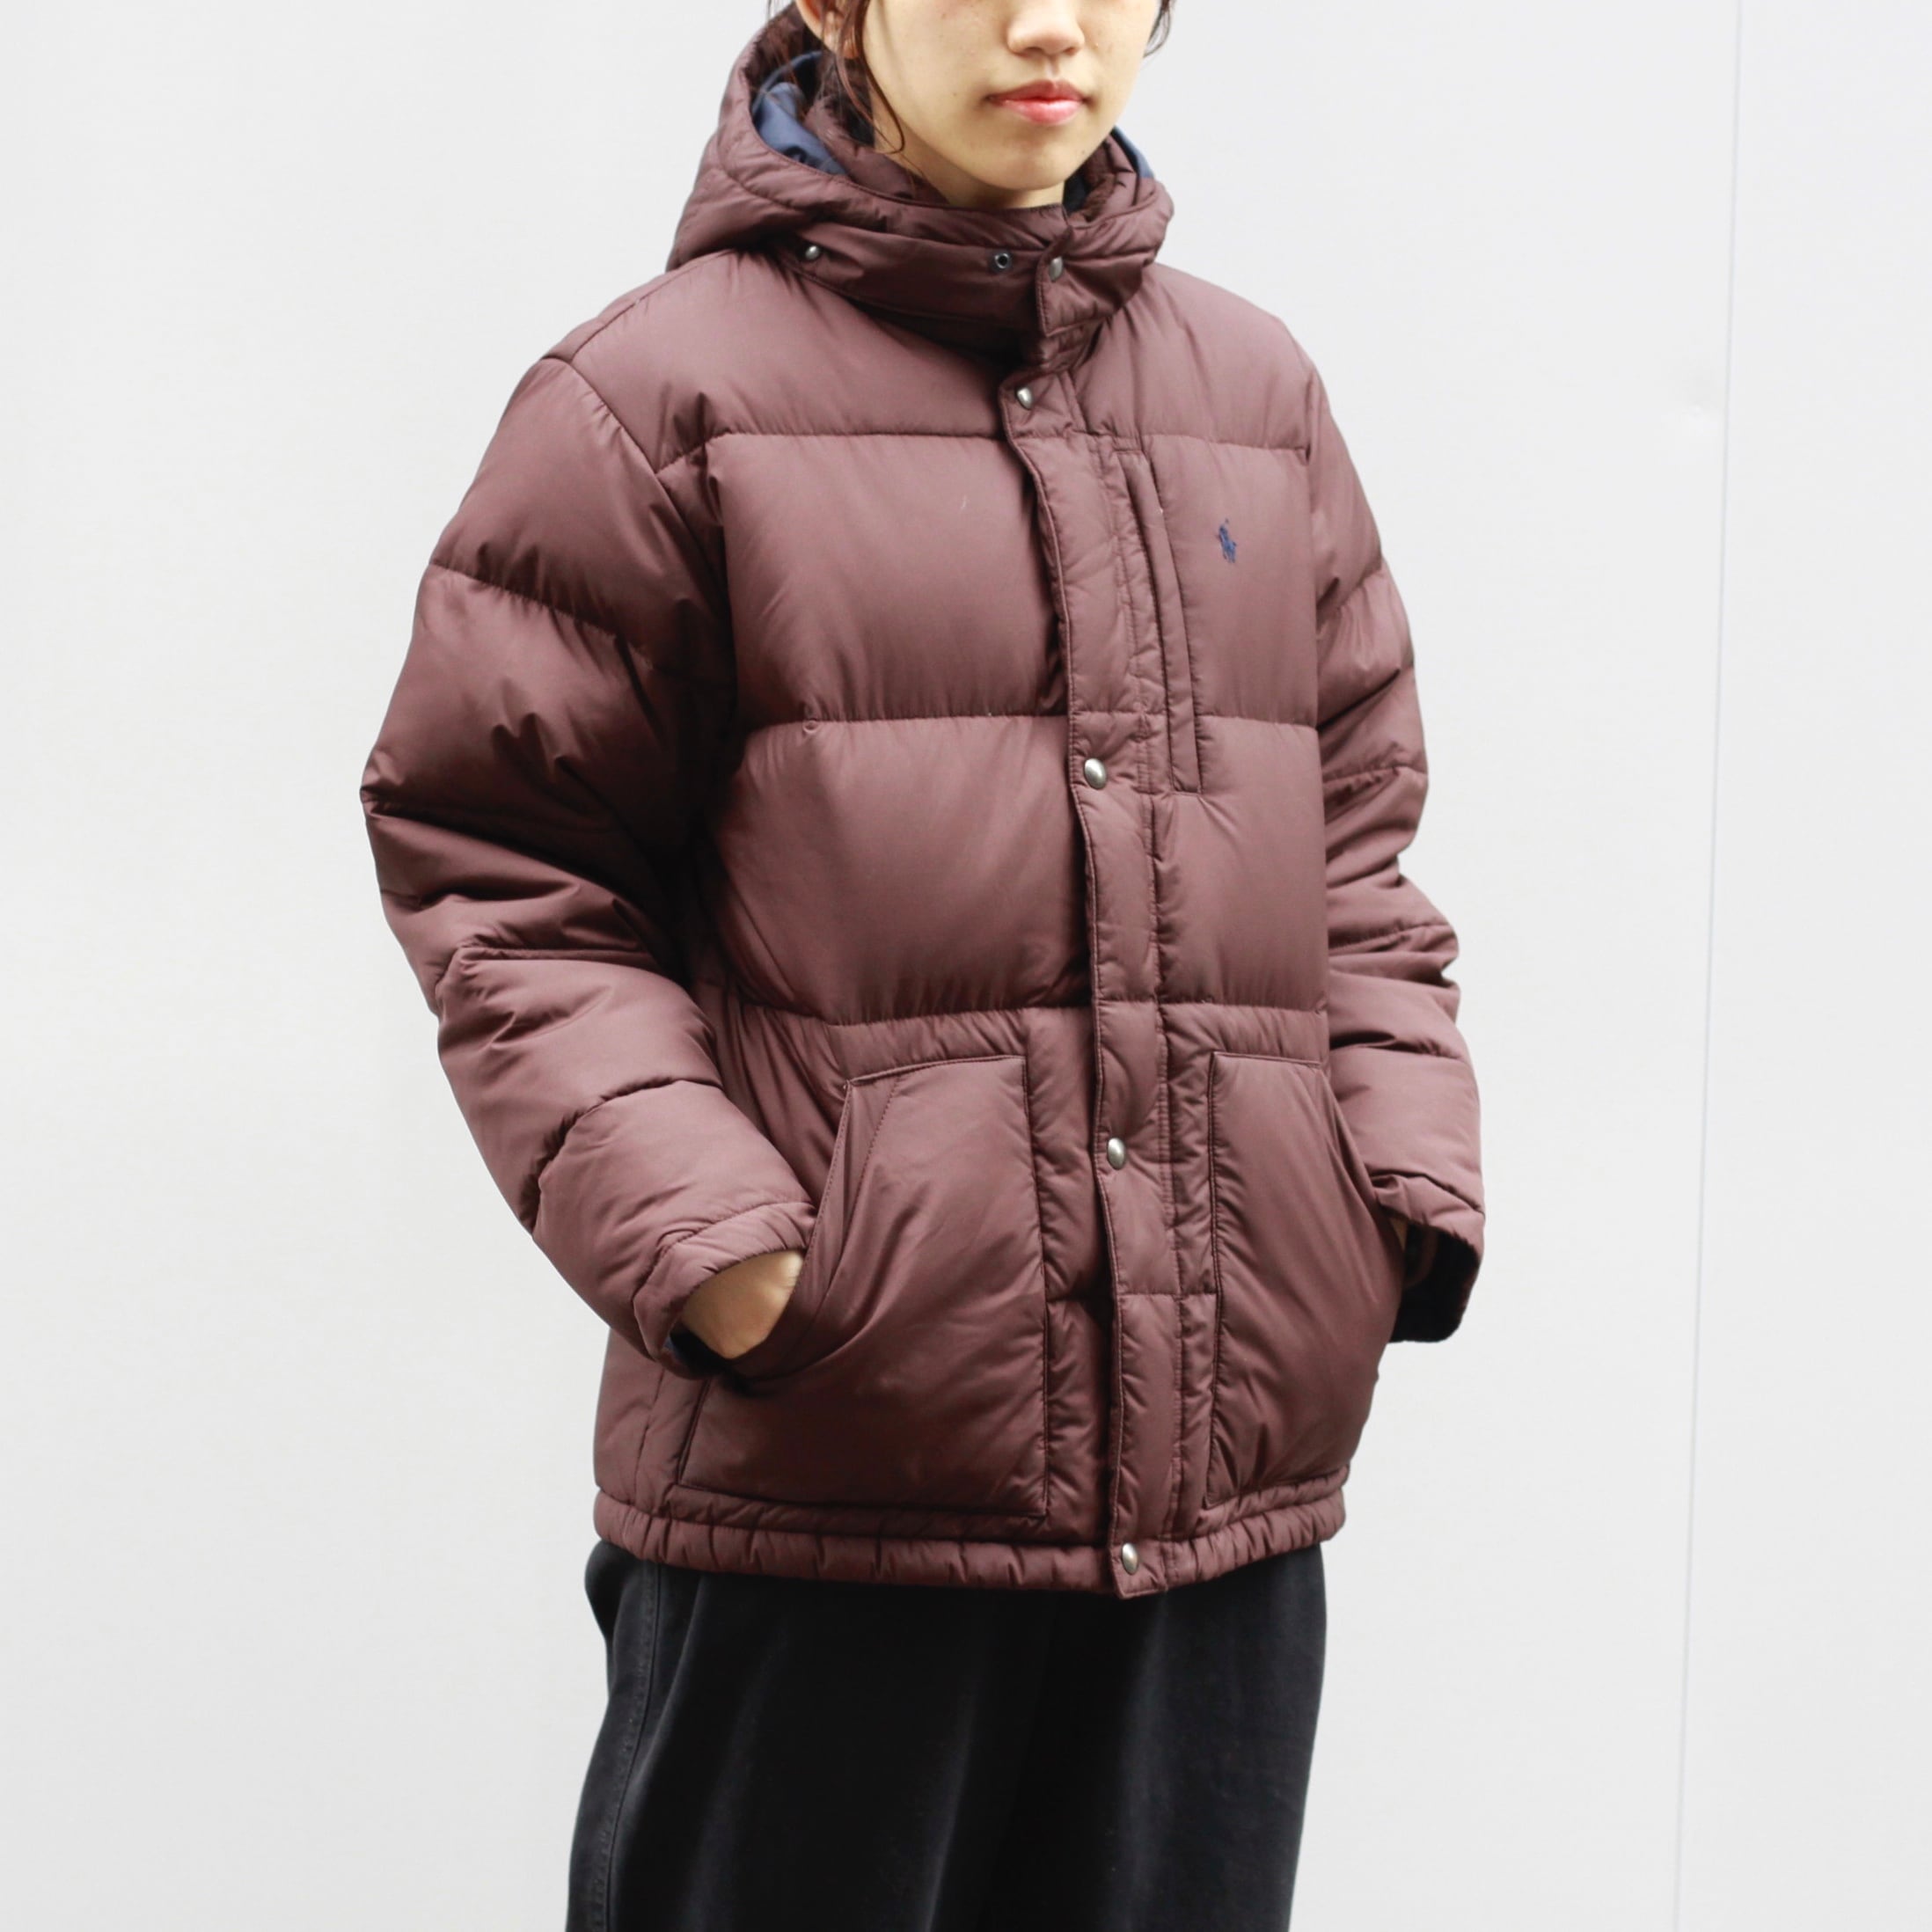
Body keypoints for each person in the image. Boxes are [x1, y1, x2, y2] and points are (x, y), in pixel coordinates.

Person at [359, 3, 1486, 1925]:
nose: (1050, 26)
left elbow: (1355, 851)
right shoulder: (656, 399)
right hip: (831, 1490)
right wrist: (733, 1259)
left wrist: (1379, 1197)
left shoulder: (1254, 392)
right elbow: (503, 860)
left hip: (1212, 1509)